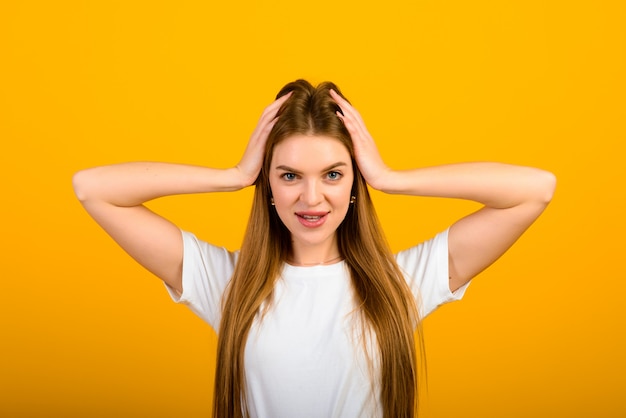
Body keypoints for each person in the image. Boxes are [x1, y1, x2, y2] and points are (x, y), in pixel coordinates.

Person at [72, 79, 556, 418]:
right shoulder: (228, 284)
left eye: (332, 174)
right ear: (268, 185)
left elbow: (534, 189)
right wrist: (233, 176)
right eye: (288, 176)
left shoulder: (401, 283)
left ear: (353, 182)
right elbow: (93, 187)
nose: (310, 198)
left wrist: (389, 178)